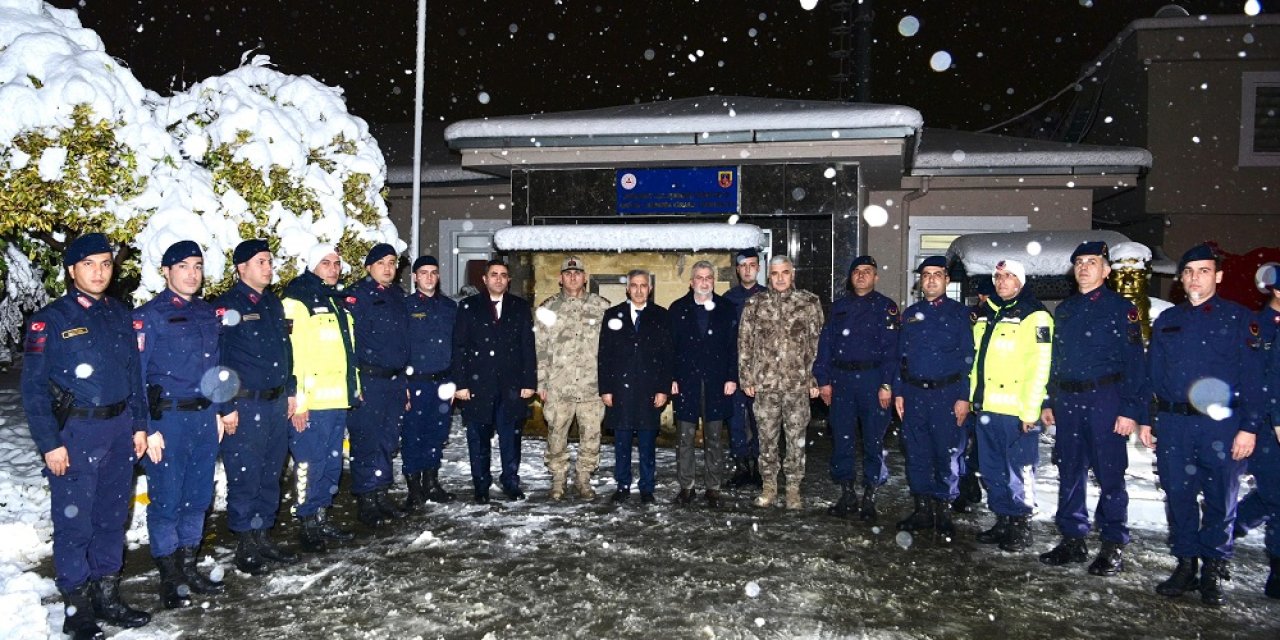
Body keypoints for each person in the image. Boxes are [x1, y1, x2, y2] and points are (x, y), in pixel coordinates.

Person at [22, 233, 151, 638]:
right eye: (89, 264)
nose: (99, 272)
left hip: (119, 430)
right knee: (75, 523)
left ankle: (107, 596)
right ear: (71, 270)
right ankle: (76, 609)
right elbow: (33, 389)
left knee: (112, 518)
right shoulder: (51, 320)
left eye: (106, 264)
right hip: (76, 433)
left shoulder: (119, 314)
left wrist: (140, 425)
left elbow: (134, 377)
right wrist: (50, 443)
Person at [1140, 243, 1264, 606]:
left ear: (1218, 277)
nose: (1195, 278)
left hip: (1221, 425)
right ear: (1181, 278)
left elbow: (1254, 379)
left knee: (1220, 498)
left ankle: (1213, 566)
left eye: (1204, 271)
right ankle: (1186, 563)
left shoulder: (1240, 319)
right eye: (1189, 271)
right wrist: (1148, 419)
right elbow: (1153, 375)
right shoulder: (1167, 320)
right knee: (1178, 496)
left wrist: (1249, 427)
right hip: (1174, 424)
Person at [1038, 242, 1145, 576]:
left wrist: (1130, 409)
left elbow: (1135, 362)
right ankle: (1073, 539)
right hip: (1068, 401)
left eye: (1092, 262)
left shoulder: (1121, 308)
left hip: (1105, 399)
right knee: (1069, 470)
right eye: (1079, 262)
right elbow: (1056, 359)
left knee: (1110, 474)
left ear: (1106, 270)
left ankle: (1113, 544)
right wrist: (1049, 399)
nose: (1084, 267)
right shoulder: (1065, 309)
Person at [134, 241, 226, 608]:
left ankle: (188, 567)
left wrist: (218, 410)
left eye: (197, 266)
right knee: (167, 499)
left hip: (203, 418)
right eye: (183, 266)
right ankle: (170, 577)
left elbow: (216, 367)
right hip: (167, 420)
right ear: (166, 271)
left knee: (198, 497)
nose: (192, 273)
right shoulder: (149, 316)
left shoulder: (206, 313)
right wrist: (146, 427)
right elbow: (136, 377)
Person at [215, 239, 298, 574]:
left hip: (275, 403)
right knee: (245, 475)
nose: (268, 267)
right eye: (261, 261)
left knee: (270, 474)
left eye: (269, 261)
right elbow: (219, 359)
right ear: (242, 268)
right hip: (246, 404)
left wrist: (290, 389)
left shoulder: (272, 304)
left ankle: (263, 535)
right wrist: (226, 405)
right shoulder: (227, 306)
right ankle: (245, 543)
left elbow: (285, 351)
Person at [969, 259, 1053, 553]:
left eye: (1009, 276)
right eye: (998, 276)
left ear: (1021, 281)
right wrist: (974, 399)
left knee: (1020, 469)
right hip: (988, 407)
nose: (1002, 281)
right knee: (992, 469)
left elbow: (1040, 366)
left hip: (1017, 411)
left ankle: (1021, 524)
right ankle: (1002, 518)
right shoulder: (987, 313)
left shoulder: (1035, 315)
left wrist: (1031, 410)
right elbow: (977, 361)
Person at [281, 245, 358, 551]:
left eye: (336, 263)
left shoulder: (336, 300)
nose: (333, 268)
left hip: (337, 400)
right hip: (311, 403)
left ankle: (322, 515)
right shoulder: (297, 301)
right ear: (312, 266)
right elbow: (292, 356)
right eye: (326, 263)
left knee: (331, 464)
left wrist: (354, 388)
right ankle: (307, 519)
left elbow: (346, 351)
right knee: (309, 465)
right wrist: (298, 401)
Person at [891, 256, 973, 539]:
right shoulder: (910, 314)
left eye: (937, 274)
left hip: (947, 395)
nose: (931, 279)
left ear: (947, 280)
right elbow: (900, 358)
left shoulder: (960, 314)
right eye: (926, 274)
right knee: (916, 453)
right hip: (914, 395)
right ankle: (922, 509)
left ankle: (943, 511)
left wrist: (964, 397)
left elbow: (968, 358)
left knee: (946, 454)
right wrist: (899, 392)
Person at [814, 255, 899, 521]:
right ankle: (847, 493)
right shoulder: (838, 307)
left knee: (874, 440)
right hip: (842, 381)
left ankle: (870, 495)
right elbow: (825, 346)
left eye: (867, 271)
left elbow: (892, 351)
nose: (861, 275)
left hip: (873, 380)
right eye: (856, 272)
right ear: (850, 277)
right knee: (842, 439)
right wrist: (823, 380)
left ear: (876, 277)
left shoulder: (886, 307)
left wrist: (887, 384)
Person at [739, 255, 823, 509]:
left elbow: (817, 344)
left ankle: (793, 489)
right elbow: (745, 343)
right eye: (775, 273)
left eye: (784, 272)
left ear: (792, 273)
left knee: (796, 440)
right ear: (769, 276)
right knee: (766, 439)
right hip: (765, 385)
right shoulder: (755, 304)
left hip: (797, 384)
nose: (780, 278)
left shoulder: (809, 303)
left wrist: (814, 378)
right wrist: (746, 376)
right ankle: (769, 487)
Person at [453, 259, 537, 503]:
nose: (498, 279)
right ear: (484, 279)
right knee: (478, 439)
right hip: (478, 386)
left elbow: (527, 347)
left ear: (508, 279)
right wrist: (460, 383)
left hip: (512, 386)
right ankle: (481, 485)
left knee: (511, 438)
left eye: (503, 275)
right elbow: (459, 347)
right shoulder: (468, 307)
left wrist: (529, 382)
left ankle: (510, 481)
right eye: (494, 274)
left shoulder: (519, 307)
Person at [344, 243, 410, 528]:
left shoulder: (397, 296)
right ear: (369, 267)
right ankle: (366, 498)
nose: (388, 268)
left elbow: (402, 342)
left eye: (392, 262)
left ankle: (382, 493)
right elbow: (350, 344)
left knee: (388, 440)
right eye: (381, 263)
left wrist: (404, 382)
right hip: (369, 379)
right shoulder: (356, 296)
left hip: (395, 380)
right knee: (366, 440)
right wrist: (354, 382)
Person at [535, 256, 610, 501]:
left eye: (577, 273)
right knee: (556, 435)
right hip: (559, 386)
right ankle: (558, 480)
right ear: (560, 278)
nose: (573, 277)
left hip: (592, 386)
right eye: (568, 273)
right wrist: (541, 383)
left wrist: (609, 384)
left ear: (585, 277)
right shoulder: (547, 309)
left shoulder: (602, 307)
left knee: (591, 436)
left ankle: (583, 478)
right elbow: (540, 349)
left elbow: (611, 350)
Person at [598, 270, 673, 503]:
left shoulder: (661, 316)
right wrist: (606, 388)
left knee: (647, 443)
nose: (639, 290)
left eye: (643, 286)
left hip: (649, 390)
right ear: (627, 289)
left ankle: (647, 488)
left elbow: (667, 355)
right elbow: (605, 355)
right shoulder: (613, 315)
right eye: (634, 285)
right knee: (621, 442)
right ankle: (622, 485)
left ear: (650, 289)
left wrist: (663, 389)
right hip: (620, 390)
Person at [669, 261, 738, 507]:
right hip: (686, 382)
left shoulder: (726, 309)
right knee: (684, 438)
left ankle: (713, 488)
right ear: (691, 282)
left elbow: (733, 347)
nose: (704, 282)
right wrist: (671, 378)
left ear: (714, 281)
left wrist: (732, 377)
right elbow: (670, 348)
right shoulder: (677, 309)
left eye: (709, 277)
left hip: (716, 382)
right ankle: (686, 487)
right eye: (699, 277)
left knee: (714, 438)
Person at [1235, 272, 1280, 598]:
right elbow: (1255, 380)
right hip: (1265, 425)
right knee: (1277, 494)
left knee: (1271, 495)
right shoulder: (1256, 326)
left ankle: (1227, 526)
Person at [403, 255, 461, 507]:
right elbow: (399, 347)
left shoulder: (449, 307)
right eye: (423, 272)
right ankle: (414, 487)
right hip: (415, 382)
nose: (429, 277)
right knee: (413, 434)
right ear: (414, 277)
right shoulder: (405, 306)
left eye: (433, 272)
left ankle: (431, 482)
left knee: (436, 433)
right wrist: (402, 384)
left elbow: (457, 346)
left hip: (443, 383)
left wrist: (455, 381)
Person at [953, 278, 997, 514]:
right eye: (982, 295)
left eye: (988, 295)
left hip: (992, 395)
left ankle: (973, 476)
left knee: (983, 446)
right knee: (959, 444)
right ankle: (962, 485)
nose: (984, 299)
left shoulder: (1008, 316)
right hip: (966, 390)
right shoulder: (969, 317)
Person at [723, 248, 766, 488]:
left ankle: (759, 468)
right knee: (736, 422)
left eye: (752, 265)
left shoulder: (768, 297)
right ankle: (741, 467)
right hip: (735, 370)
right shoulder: (728, 299)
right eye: (743, 266)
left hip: (762, 372)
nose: (748, 270)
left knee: (761, 422)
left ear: (758, 268)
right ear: (738, 270)